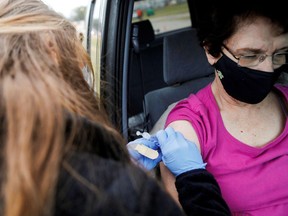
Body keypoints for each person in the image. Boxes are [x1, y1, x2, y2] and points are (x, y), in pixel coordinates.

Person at [0, 1, 187, 216]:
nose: (82, 75)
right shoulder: (127, 197)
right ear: (53, 53)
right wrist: (192, 177)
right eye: (79, 63)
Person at [159, 1, 288, 215]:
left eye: (280, 53)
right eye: (250, 55)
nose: (269, 69)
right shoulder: (191, 126)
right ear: (212, 50)